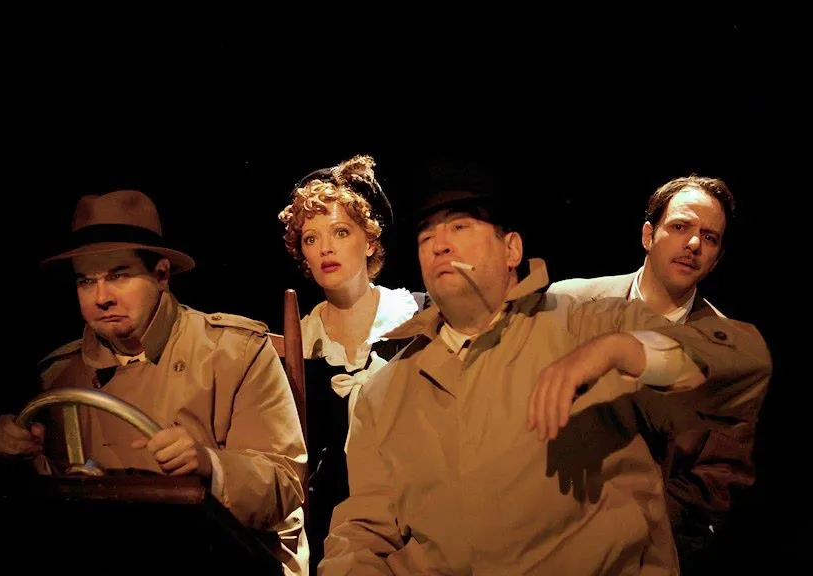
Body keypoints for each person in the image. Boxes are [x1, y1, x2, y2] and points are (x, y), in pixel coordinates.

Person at [317, 162, 772, 575]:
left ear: (511, 248)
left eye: (460, 226)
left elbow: (735, 364)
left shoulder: (586, 320)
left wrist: (621, 350)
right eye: (425, 236)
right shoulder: (387, 391)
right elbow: (363, 527)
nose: (440, 244)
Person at [0, 189, 309, 574]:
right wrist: (24, 455)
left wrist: (211, 464)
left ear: (160, 275)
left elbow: (285, 485)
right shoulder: (60, 375)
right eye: (86, 282)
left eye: (118, 276)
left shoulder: (234, 352)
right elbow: (61, 503)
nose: (101, 297)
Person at [547, 175, 767, 571]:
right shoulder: (565, 303)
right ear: (649, 235)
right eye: (680, 227)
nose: (694, 245)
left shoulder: (727, 355)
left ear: (717, 258)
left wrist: (634, 533)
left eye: (710, 238)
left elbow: (718, 478)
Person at [278, 154, 429, 574]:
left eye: (340, 232)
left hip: (421, 515)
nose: (325, 248)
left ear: (369, 240)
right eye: (311, 238)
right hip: (332, 527)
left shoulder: (419, 319)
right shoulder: (298, 346)